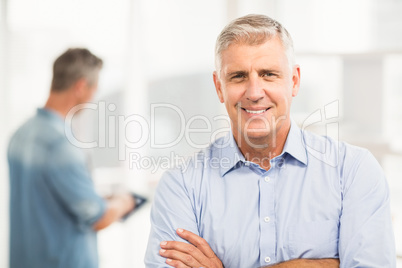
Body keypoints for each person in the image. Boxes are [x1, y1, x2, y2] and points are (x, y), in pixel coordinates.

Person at [144, 14, 396, 268]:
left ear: (294, 81)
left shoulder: (352, 171)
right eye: (238, 76)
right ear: (219, 87)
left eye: (268, 74)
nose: (254, 93)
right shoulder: (181, 185)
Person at [8, 48, 135, 268]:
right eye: (94, 90)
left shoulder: (19, 134)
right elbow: (97, 217)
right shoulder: (62, 145)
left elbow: (48, 199)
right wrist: (124, 202)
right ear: (80, 86)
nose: (93, 99)